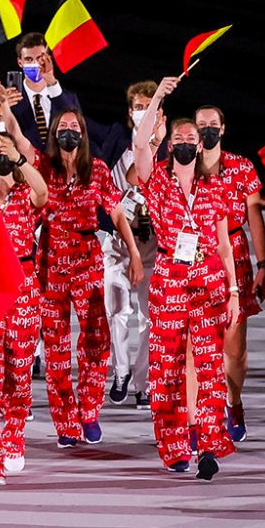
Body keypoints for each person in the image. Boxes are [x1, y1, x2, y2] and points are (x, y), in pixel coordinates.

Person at [134, 77, 239, 480]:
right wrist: (159, 95)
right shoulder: (156, 180)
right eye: (177, 135)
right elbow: (141, 145)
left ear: (200, 145)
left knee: (209, 364)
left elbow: (225, 246)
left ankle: (209, 444)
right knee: (168, 366)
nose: (184, 139)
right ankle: (175, 442)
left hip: (210, 280)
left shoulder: (216, 187)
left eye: (190, 136)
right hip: (170, 280)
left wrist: (231, 292)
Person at [37, 107, 144, 448]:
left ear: (83, 133)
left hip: (86, 257)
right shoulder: (43, 167)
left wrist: (135, 254)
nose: (69, 130)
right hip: (51, 260)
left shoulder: (96, 170)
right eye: (63, 126)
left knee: (96, 339)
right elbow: (22, 150)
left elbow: (115, 211)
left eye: (75, 126)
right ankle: (66, 422)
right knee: (55, 346)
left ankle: (89, 411)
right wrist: (8, 114)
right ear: (54, 133)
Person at [195, 105, 265, 442]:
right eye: (201, 125)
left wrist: (263, 265)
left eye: (212, 124)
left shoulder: (241, 167)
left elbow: (254, 214)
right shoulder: (182, 165)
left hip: (235, 257)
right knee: (196, 343)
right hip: (196, 256)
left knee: (233, 347)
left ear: (223, 129)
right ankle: (199, 414)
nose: (206, 130)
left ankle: (233, 401)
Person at [0, 131, 47, 484]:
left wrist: (17, 156)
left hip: (24, 288)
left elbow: (43, 191)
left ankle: (13, 436)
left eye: (4, 147)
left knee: (19, 375)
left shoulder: (23, 194)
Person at [96, 81, 165, 409]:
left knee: (150, 316)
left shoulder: (168, 148)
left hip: (153, 243)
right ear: (130, 112)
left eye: (148, 107)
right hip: (116, 244)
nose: (142, 112)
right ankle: (121, 372)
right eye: (138, 107)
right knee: (118, 311)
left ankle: (144, 383)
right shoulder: (116, 140)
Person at [0, 33, 81, 151]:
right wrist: (4, 110)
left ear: (48, 59)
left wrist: (51, 81)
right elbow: (1, 137)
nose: (35, 64)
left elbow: (78, 127)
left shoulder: (68, 98)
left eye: (39, 58)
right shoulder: (9, 100)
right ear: (20, 62)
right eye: (28, 59)